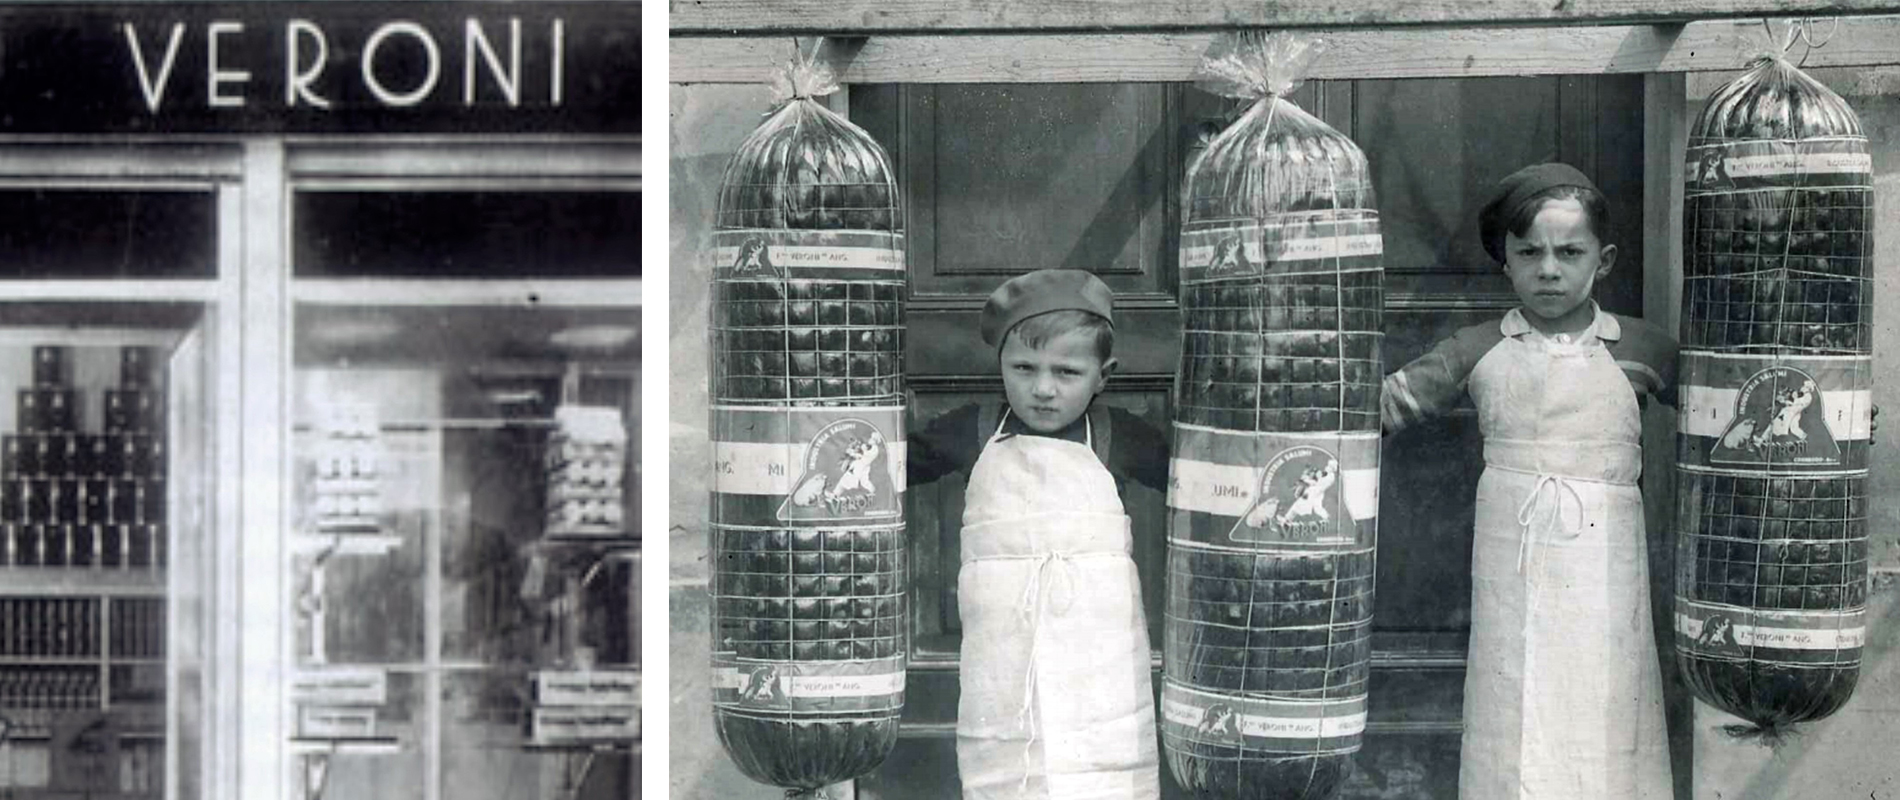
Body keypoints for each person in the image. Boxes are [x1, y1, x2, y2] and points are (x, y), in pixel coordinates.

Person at [1380, 163, 1675, 798]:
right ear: (1505, 263)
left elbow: (1732, 407)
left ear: (1604, 259)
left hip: (1605, 554)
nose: (1549, 270)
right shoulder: (1477, 347)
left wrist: (1832, 424)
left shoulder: (1641, 348)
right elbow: (1383, 408)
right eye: (1529, 253)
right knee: (1513, 684)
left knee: (1607, 684)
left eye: (1569, 253)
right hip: (1512, 550)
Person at [908, 269, 1166, 800]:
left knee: (1103, 753)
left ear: (1103, 375)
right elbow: (880, 467)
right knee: (1006, 756)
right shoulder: (973, 430)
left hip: (1099, 647)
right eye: (1024, 368)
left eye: (1067, 372)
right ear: (1000, 364)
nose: (1043, 389)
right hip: (1004, 642)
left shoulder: (1119, 436)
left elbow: (1210, 481)